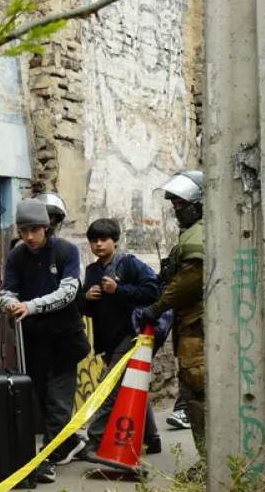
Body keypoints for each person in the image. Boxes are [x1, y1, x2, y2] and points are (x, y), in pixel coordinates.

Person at [0, 198, 91, 482]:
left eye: (34, 230)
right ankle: (71, 442)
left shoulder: (67, 251)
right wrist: (10, 304)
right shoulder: (17, 255)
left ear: (47, 227)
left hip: (65, 340)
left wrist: (31, 306)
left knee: (58, 402)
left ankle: (48, 458)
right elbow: (7, 291)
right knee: (42, 397)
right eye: (23, 230)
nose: (29, 237)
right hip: (33, 342)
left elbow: (68, 292)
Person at [75, 218, 161, 459]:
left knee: (108, 387)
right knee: (130, 383)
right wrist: (86, 298)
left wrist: (119, 290)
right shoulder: (92, 271)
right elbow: (90, 311)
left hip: (131, 335)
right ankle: (152, 438)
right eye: (94, 240)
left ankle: (95, 441)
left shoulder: (129, 264)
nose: (99, 245)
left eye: (104, 240)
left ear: (115, 241)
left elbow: (153, 291)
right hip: (108, 341)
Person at [139, 170, 206, 471]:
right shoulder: (197, 232)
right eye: (174, 204)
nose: (177, 209)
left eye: (181, 203)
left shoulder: (199, 234)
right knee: (194, 396)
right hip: (192, 324)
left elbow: (191, 279)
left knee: (199, 396)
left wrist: (158, 306)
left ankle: (211, 464)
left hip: (199, 327)